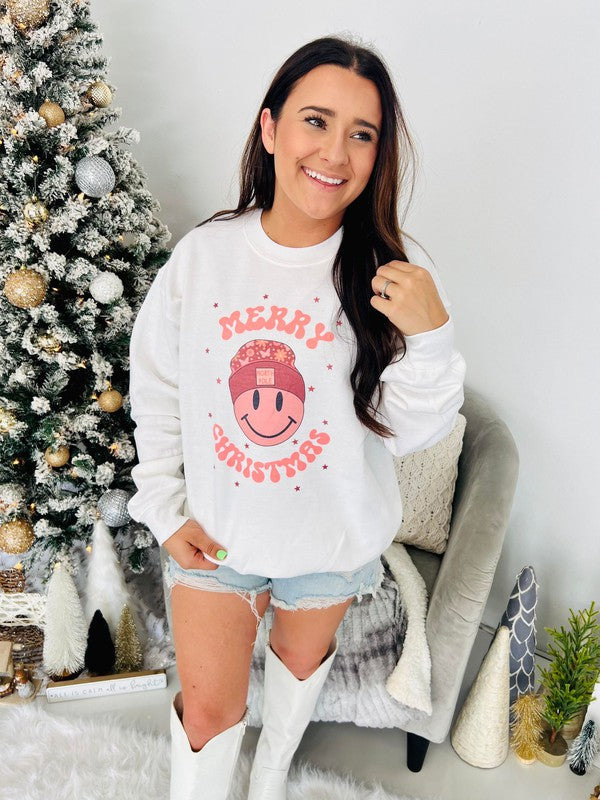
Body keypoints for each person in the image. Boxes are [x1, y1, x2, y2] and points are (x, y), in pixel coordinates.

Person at [127, 34, 466, 800]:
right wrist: (163, 504)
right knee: (207, 715)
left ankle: (273, 775)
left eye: (362, 133)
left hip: (330, 540)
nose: (335, 152)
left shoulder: (391, 275)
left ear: (378, 155)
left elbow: (411, 430)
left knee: (298, 667)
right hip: (217, 533)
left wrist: (432, 336)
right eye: (316, 120)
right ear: (271, 128)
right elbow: (157, 385)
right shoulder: (206, 257)